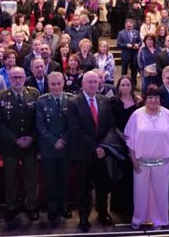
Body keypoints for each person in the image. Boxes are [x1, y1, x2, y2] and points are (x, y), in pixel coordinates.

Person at [125, 85, 169, 230]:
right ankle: (139, 218)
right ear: (145, 99)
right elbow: (130, 140)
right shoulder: (136, 115)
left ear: (160, 99)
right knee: (140, 193)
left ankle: (160, 220)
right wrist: (133, 160)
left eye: (156, 97)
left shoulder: (168, 114)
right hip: (141, 163)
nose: (153, 100)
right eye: (150, 97)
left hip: (163, 162)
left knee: (161, 193)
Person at [66, 71, 116, 232]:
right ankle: (83, 217)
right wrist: (95, 147)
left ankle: (102, 213)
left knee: (102, 186)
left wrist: (103, 147)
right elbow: (75, 130)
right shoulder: (73, 102)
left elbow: (110, 126)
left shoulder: (104, 101)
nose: (93, 84)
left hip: (102, 153)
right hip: (83, 153)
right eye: (90, 82)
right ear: (83, 84)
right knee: (83, 187)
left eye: (95, 82)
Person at [0, 67, 41, 223]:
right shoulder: (0, 96)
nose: (17, 80)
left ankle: (31, 206)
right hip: (9, 145)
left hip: (30, 143)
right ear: (9, 77)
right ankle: (12, 206)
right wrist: (16, 139)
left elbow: (39, 120)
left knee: (31, 177)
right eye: (14, 77)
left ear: (25, 77)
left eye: (20, 77)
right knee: (10, 178)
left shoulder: (34, 93)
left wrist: (31, 138)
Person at [35, 72, 72, 222]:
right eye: (53, 84)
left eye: (59, 84)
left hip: (66, 147)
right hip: (48, 149)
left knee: (63, 179)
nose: (56, 87)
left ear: (63, 83)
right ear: (48, 84)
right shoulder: (41, 101)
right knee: (50, 180)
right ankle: (51, 207)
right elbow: (40, 126)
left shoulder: (71, 100)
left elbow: (73, 125)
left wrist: (63, 140)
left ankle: (63, 206)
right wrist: (53, 141)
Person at [110, 76, 142, 217]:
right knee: (120, 174)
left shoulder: (139, 102)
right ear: (118, 87)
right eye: (122, 85)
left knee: (134, 174)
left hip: (136, 143)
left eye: (127, 85)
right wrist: (120, 134)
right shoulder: (113, 102)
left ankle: (134, 206)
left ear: (132, 86)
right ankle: (119, 207)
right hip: (119, 143)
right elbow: (110, 122)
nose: (125, 88)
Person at [117, 19, 141, 86]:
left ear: (133, 25)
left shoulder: (136, 32)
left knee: (134, 70)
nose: (129, 27)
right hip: (125, 54)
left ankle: (134, 85)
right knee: (124, 70)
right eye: (128, 26)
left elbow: (140, 42)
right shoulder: (121, 33)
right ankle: (122, 84)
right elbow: (118, 44)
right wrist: (126, 45)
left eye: (130, 26)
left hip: (134, 54)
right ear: (125, 25)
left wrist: (138, 45)